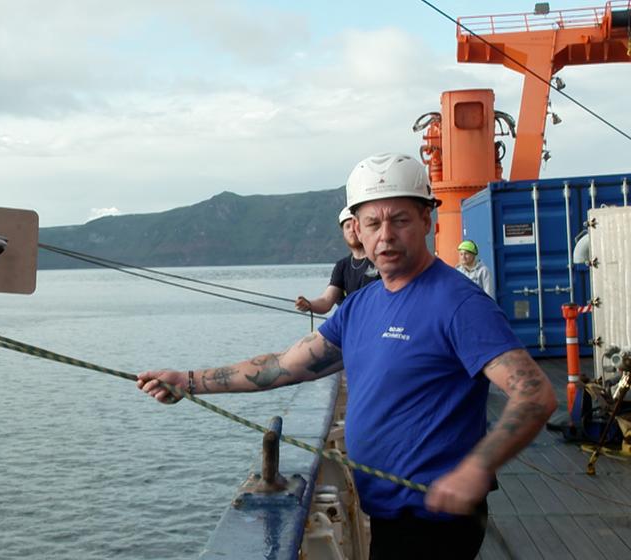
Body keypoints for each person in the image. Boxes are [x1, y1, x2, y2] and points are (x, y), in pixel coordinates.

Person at [137, 153, 556, 560]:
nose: (385, 236)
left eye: (401, 220)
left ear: (427, 220)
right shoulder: (362, 305)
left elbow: (535, 395)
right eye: (373, 223)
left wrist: (476, 469)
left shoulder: (459, 304)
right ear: (356, 228)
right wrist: (187, 381)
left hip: (434, 523)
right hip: (387, 514)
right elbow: (283, 367)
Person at [295, 207, 379, 313]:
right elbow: (326, 300)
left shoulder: (380, 259)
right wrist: (309, 304)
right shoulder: (342, 266)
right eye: (347, 227)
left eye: (355, 226)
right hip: (352, 326)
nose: (352, 230)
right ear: (343, 233)